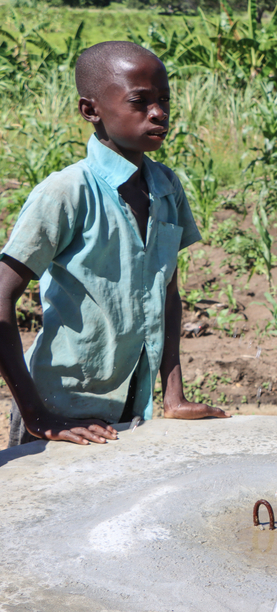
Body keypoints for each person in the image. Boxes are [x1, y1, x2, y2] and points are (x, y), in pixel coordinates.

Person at [0, 41, 228, 448]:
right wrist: (38, 416)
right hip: (63, 408)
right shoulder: (66, 193)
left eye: (164, 100)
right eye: (140, 102)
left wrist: (172, 396)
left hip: (132, 405)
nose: (159, 113)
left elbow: (168, 293)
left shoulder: (166, 187)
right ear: (91, 110)